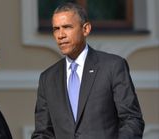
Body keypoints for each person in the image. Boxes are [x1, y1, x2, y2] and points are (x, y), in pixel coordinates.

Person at [31, 2, 144, 139]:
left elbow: (132, 120)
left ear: (86, 29)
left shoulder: (112, 67)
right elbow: (43, 133)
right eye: (56, 29)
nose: (60, 35)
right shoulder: (47, 78)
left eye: (67, 27)